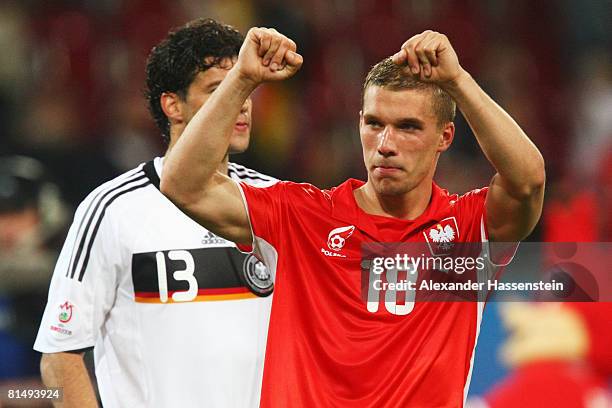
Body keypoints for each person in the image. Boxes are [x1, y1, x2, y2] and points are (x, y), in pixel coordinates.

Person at [161, 28, 545, 407]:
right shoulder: (302, 217)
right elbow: (182, 183)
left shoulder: (465, 232)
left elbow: (527, 182)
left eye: (408, 127)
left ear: (445, 137)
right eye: (374, 124)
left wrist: (458, 82)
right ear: (359, 122)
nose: (386, 144)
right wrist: (242, 79)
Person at [34, 19, 276, 408]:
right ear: (172, 105)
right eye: (221, 90)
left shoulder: (276, 201)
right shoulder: (112, 209)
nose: (241, 103)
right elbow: (60, 358)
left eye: (246, 88)